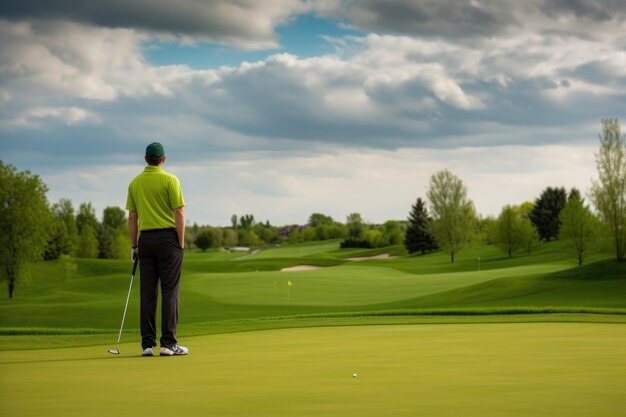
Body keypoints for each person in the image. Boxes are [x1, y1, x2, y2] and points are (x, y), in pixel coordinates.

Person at [126, 142, 188, 356]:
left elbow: (132, 217)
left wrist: (134, 246)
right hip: (168, 239)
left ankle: (147, 345)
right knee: (170, 292)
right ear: (163, 159)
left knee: (147, 293)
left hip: (146, 241)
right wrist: (180, 242)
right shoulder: (170, 180)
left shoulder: (135, 183)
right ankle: (168, 344)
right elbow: (179, 213)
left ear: (145, 159)